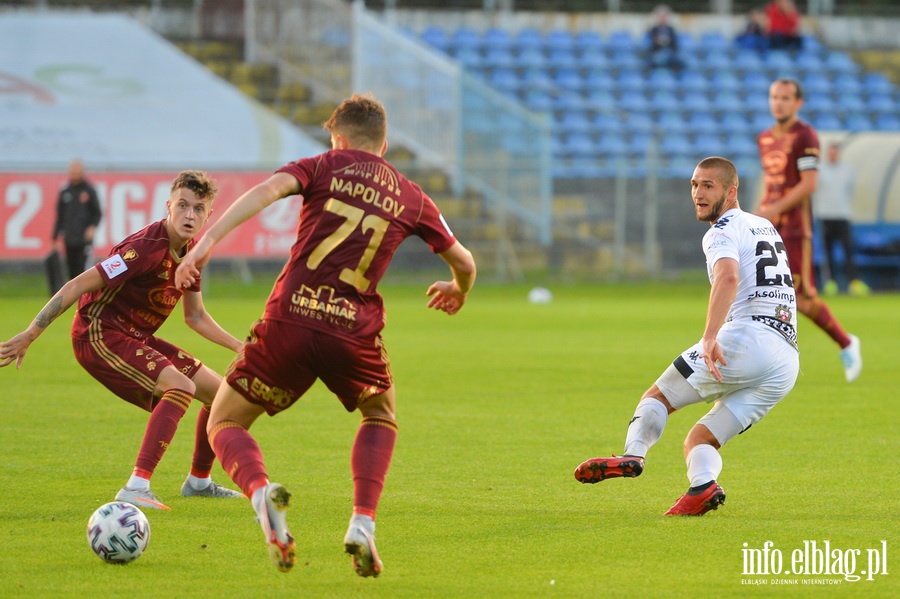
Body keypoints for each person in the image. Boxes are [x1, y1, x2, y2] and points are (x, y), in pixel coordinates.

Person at [174, 93, 476, 575]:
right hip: (352, 331)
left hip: (290, 319)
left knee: (223, 424)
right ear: (384, 142)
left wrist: (205, 243)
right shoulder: (410, 194)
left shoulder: (321, 165)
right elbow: (464, 261)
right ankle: (362, 523)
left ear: (337, 136)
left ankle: (259, 493)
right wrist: (458, 290)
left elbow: (266, 193)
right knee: (380, 414)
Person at [1, 170, 244, 510]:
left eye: (199, 208)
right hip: (98, 331)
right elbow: (77, 285)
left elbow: (196, 317)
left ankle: (199, 482)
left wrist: (240, 348)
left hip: (135, 335)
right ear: (168, 206)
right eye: (183, 205)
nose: (190, 215)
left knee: (219, 395)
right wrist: (31, 333)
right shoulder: (143, 250)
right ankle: (136, 487)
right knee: (180, 387)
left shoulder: (193, 255)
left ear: (209, 214)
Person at [574, 157, 799, 516]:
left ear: (731, 191)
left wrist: (710, 337)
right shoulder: (764, 226)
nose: (698, 193)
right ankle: (703, 487)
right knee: (702, 437)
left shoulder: (721, 230)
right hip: (786, 359)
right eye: (694, 185)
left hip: (747, 339)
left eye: (708, 186)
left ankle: (633, 456)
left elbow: (728, 278)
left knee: (658, 397)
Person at [757, 77, 862, 382]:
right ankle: (759, 359)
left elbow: (809, 183)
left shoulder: (805, 135)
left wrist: (775, 209)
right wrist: (761, 214)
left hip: (794, 229)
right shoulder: (764, 138)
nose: (779, 102)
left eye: (786, 98)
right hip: (769, 228)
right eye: (775, 96)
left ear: (798, 103)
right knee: (760, 291)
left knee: (801, 299)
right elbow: (772, 182)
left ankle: (846, 342)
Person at [815, 143, 870, 296]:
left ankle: (853, 282)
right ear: (827, 154)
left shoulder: (847, 171)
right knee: (828, 251)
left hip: (843, 215)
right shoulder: (820, 171)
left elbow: (850, 190)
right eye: (830, 153)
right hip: (826, 216)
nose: (833, 155)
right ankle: (831, 283)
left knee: (848, 250)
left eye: (835, 153)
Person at [53, 159, 103, 281]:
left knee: (84, 270)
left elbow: (97, 212)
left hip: (84, 238)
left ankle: (85, 297)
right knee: (71, 270)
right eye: (73, 172)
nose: (75, 175)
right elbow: (60, 216)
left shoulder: (89, 190)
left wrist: (92, 227)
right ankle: (74, 298)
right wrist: (54, 237)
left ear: (82, 172)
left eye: (77, 172)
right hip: (69, 237)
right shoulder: (65, 191)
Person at [645, 4, 685, 71]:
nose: (663, 18)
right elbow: (653, 44)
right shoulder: (654, 30)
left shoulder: (671, 30)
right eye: (661, 16)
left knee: (681, 60)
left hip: (669, 54)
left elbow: (674, 45)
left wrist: (661, 41)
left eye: (664, 16)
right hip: (657, 54)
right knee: (657, 59)